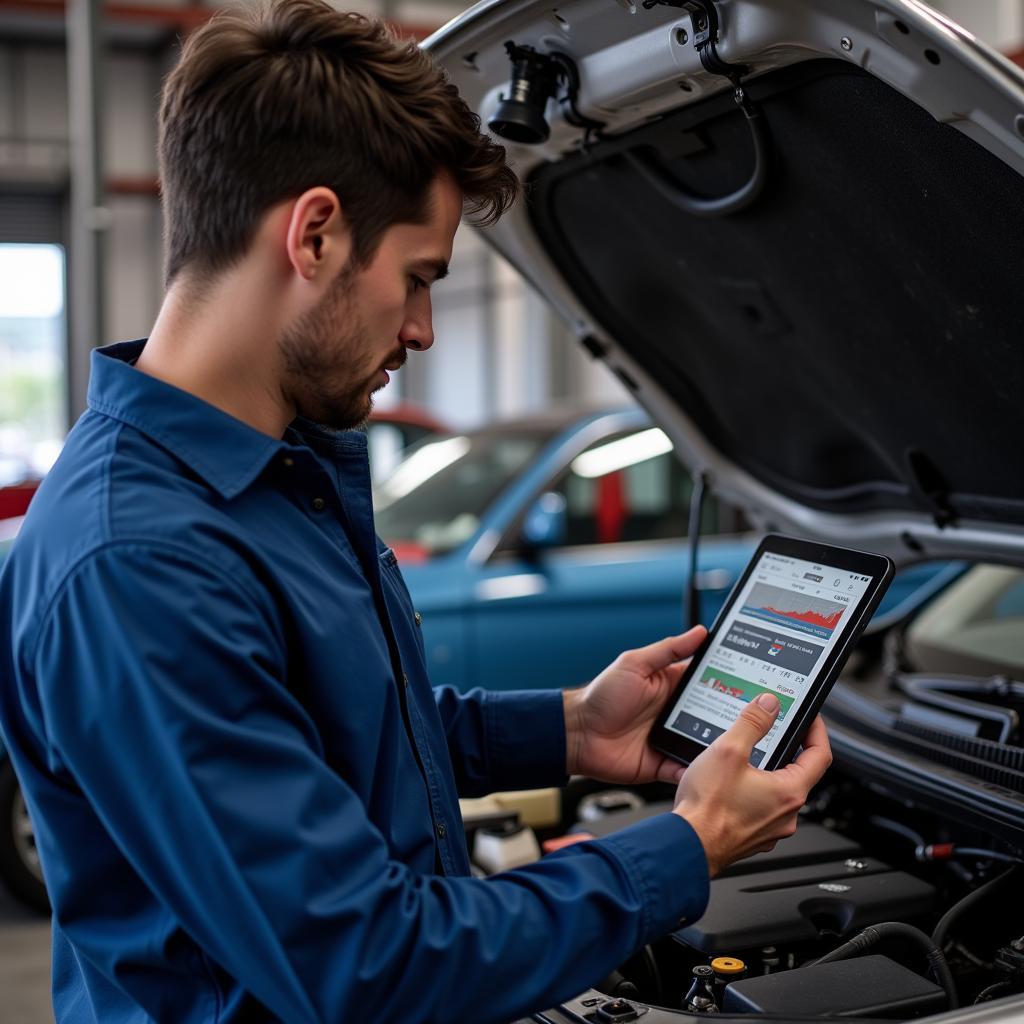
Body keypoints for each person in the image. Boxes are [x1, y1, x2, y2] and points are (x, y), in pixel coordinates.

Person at [0, 1, 831, 1021]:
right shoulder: (141, 559)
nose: (425, 329)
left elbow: (329, 738)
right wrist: (684, 846)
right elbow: (367, 963)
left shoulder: (269, 479)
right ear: (313, 233)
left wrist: (568, 727)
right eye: (417, 279)